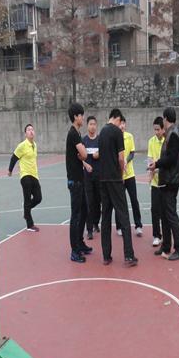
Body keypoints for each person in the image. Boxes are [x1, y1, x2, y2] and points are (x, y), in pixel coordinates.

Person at [98, 108, 138, 267]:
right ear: (117, 118)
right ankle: (129, 255)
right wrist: (122, 172)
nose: (121, 125)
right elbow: (121, 157)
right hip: (114, 179)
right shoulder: (117, 132)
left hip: (103, 179)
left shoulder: (102, 132)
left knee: (106, 217)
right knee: (123, 216)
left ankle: (106, 256)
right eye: (121, 121)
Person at [147, 107, 179, 261]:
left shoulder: (173, 134)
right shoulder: (170, 133)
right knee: (164, 214)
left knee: (171, 215)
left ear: (165, 119)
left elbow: (171, 159)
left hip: (171, 180)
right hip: (167, 180)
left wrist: (156, 164)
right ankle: (166, 245)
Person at [65, 103, 93, 263]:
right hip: (74, 181)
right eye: (81, 115)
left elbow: (81, 155)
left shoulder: (77, 133)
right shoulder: (73, 134)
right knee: (75, 215)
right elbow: (84, 153)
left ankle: (80, 243)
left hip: (79, 179)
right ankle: (74, 251)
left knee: (84, 211)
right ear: (76, 116)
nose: (83, 117)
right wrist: (83, 155)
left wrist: (83, 159)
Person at [8, 123, 42, 232]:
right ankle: (30, 225)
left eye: (32, 129)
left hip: (34, 175)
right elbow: (14, 158)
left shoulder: (35, 145)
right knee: (27, 199)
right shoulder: (22, 145)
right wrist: (10, 170)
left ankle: (26, 210)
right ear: (25, 134)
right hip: (25, 175)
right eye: (28, 130)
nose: (31, 131)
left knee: (38, 198)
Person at [115, 115, 143, 238]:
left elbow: (132, 152)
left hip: (130, 174)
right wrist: (120, 163)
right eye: (120, 123)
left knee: (134, 200)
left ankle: (138, 226)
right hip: (118, 176)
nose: (122, 125)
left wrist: (126, 160)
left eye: (123, 123)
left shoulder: (129, 136)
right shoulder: (114, 138)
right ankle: (119, 226)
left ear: (125, 124)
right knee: (120, 202)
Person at [147, 116, 166, 247]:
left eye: (158, 129)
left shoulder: (167, 141)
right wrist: (150, 171)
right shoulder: (151, 141)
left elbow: (166, 163)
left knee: (164, 210)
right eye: (155, 129)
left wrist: (157, 168)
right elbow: (150, 159)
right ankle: (156, 235)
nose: (156, 132)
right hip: (155, 182)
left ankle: (166, 234)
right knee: (154, 209)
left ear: (163, 129)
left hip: (165, 181)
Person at [82, 116, 101, 240]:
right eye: (90, 124)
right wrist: (86, 164)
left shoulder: (100, 140)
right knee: (89, 202)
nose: (93, 126)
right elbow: (79, 157)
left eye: (94, 124)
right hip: (87, 177)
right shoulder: (83, 140)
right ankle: (89, 230)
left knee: (98, 202)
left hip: (98, 176)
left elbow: (104, 154)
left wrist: (99, 154)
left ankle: (95, 223)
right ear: (87, 125)